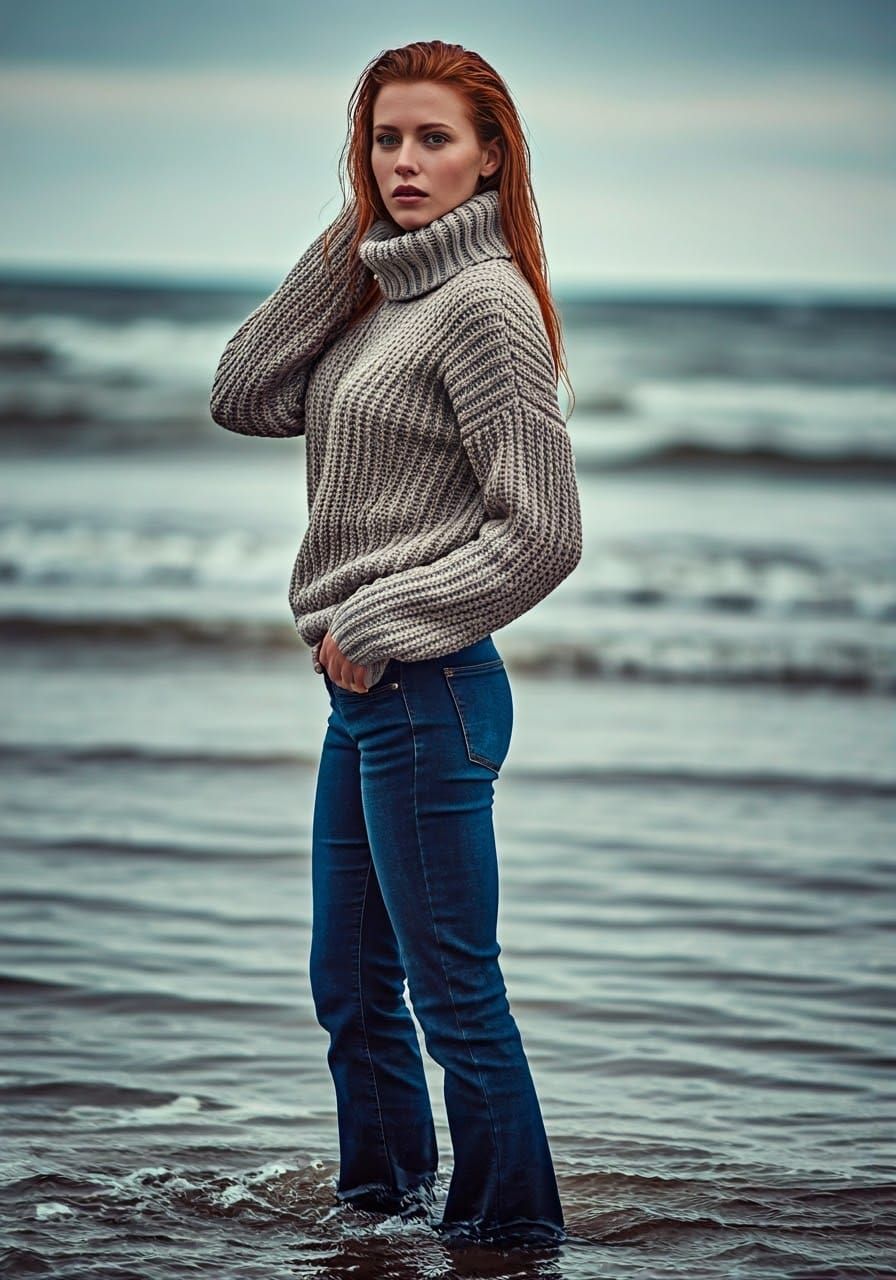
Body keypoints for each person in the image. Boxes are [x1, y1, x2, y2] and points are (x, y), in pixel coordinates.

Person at [209, 39, 583, 1250]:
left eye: (433, 139)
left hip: (428, 687)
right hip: (370, 700)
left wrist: (375, 619)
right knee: (353, 988)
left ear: (490, 157)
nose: (404, 162)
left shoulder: (485, 307)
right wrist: (357, 239)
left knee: (454, 998)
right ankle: (379, 1219)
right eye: (384, 140)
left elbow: (543, 531)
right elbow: (243, 390)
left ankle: (509, 1238)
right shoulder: (389, 292)